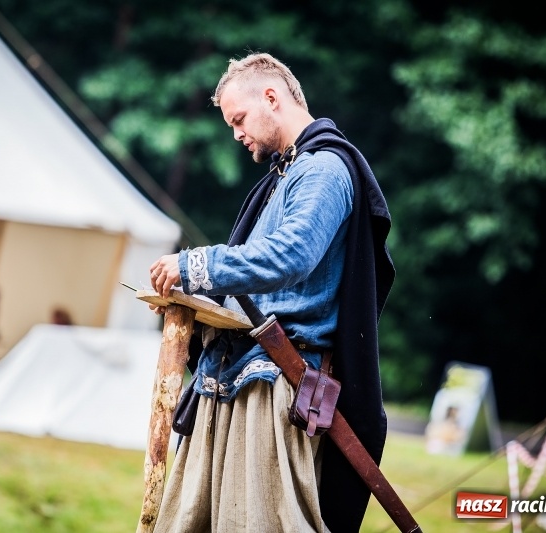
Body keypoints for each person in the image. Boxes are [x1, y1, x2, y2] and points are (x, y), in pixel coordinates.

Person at [148, 52, 395, 532]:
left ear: (271, 97)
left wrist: (196, 265)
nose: (237, 134)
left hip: (272, 384)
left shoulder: (324, 170)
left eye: (239, 119)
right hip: (229, 380)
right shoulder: (288, 173)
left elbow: (290, 256)